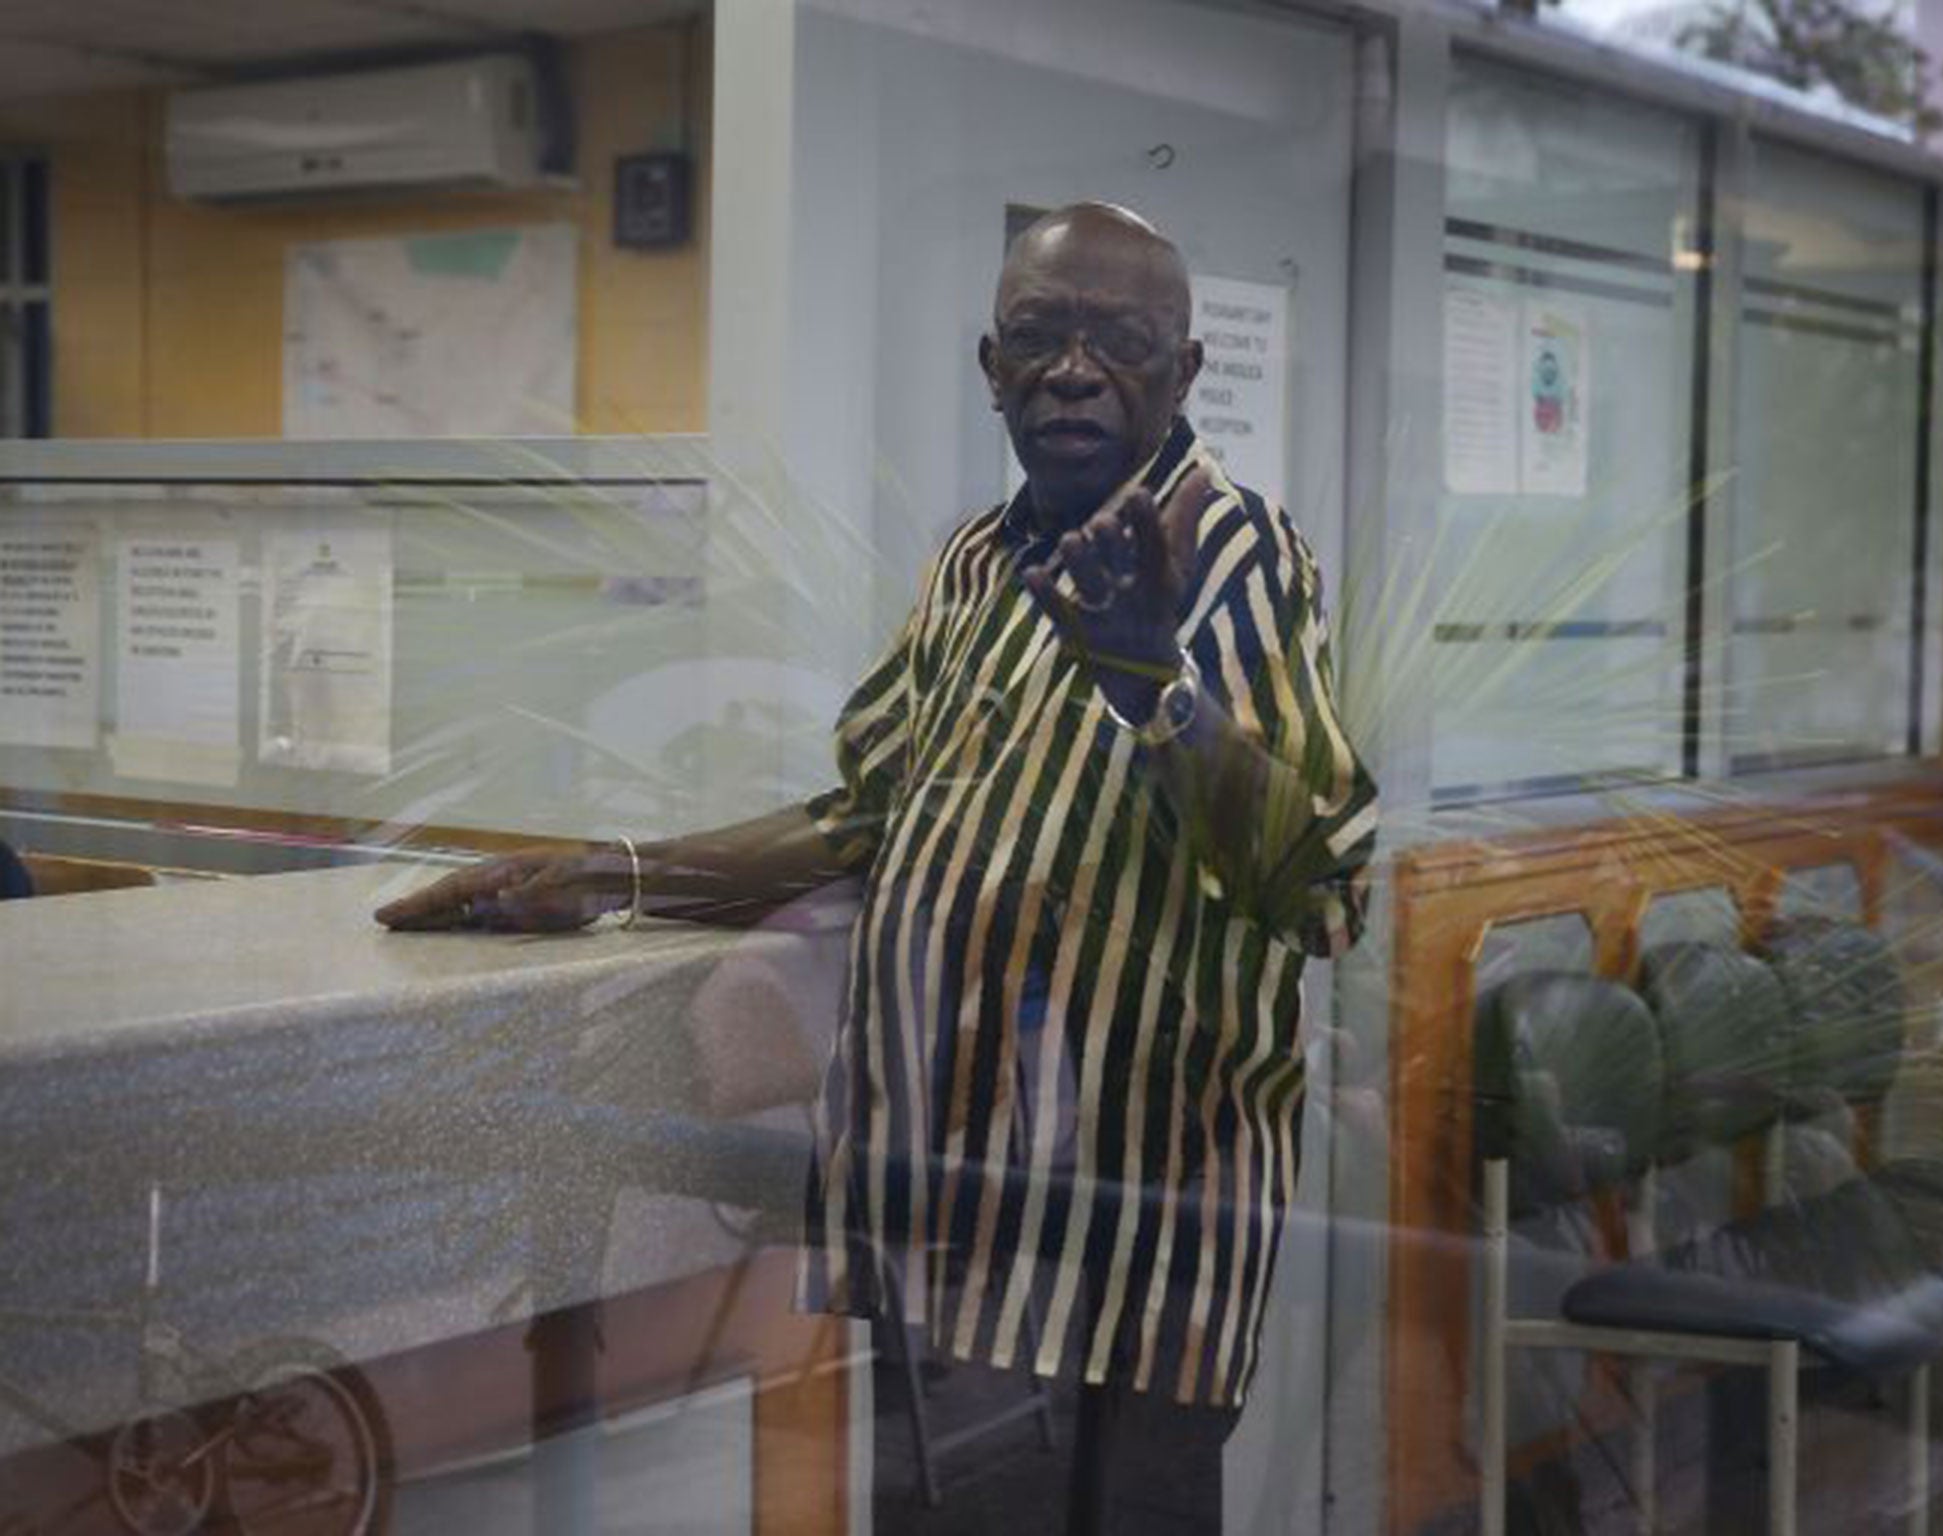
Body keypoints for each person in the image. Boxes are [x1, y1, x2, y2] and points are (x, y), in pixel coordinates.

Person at [377, 202, 1377, 1533]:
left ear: (1186, 372)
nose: (1076, 371)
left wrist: (1156, 688)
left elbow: (1319, 885)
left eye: (1124, 343)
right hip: (946, 1209)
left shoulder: (1239, 553)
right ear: (991, 368)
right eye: (1040, 339)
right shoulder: (973, 562)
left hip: (1131, 1232)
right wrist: (608, 873)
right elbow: (870, 816)